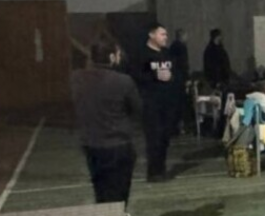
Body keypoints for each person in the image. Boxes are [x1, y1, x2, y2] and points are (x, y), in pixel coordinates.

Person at [71, 39, 140, 204]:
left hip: (91, 143)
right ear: (112, 57)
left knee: (100, 191)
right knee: (119, 192)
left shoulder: (77, 78)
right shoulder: (123, 81)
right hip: (118, 143)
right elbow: (137, 109)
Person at [129, 23, 175, 182]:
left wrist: (172, 77)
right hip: (150, 102)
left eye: (166, 34)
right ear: (152, 35)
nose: (165, 37)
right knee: (154, 137)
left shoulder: (167, 54)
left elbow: (177, 73)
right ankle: (154, 172)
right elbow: (135, 76)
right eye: (162, 34)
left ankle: (161, 168)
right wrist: (155, 76)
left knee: (165, 137)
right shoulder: (141, 55)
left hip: (167, 102)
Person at [168, 29, 190, 136]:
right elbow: (183, 64)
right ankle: (180, 127)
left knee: (175, 104)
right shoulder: (182, 48)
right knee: (181, 105)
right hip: (180, 79)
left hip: (173, 79)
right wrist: (187, 78)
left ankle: (174, 127)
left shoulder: (172, 48)